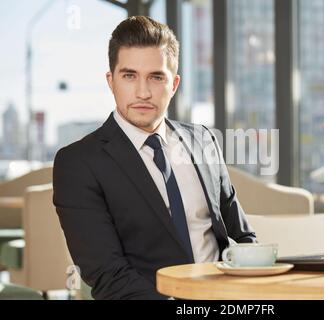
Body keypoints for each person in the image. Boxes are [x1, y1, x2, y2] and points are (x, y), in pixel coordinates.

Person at [53, 16, 256, 300]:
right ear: (111, 81)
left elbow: (243, 238)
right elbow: (109, 276)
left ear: (173, 84)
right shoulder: (78, 163)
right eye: (129, 75)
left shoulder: (203, 140)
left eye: (156, 77)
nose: (143, 92)